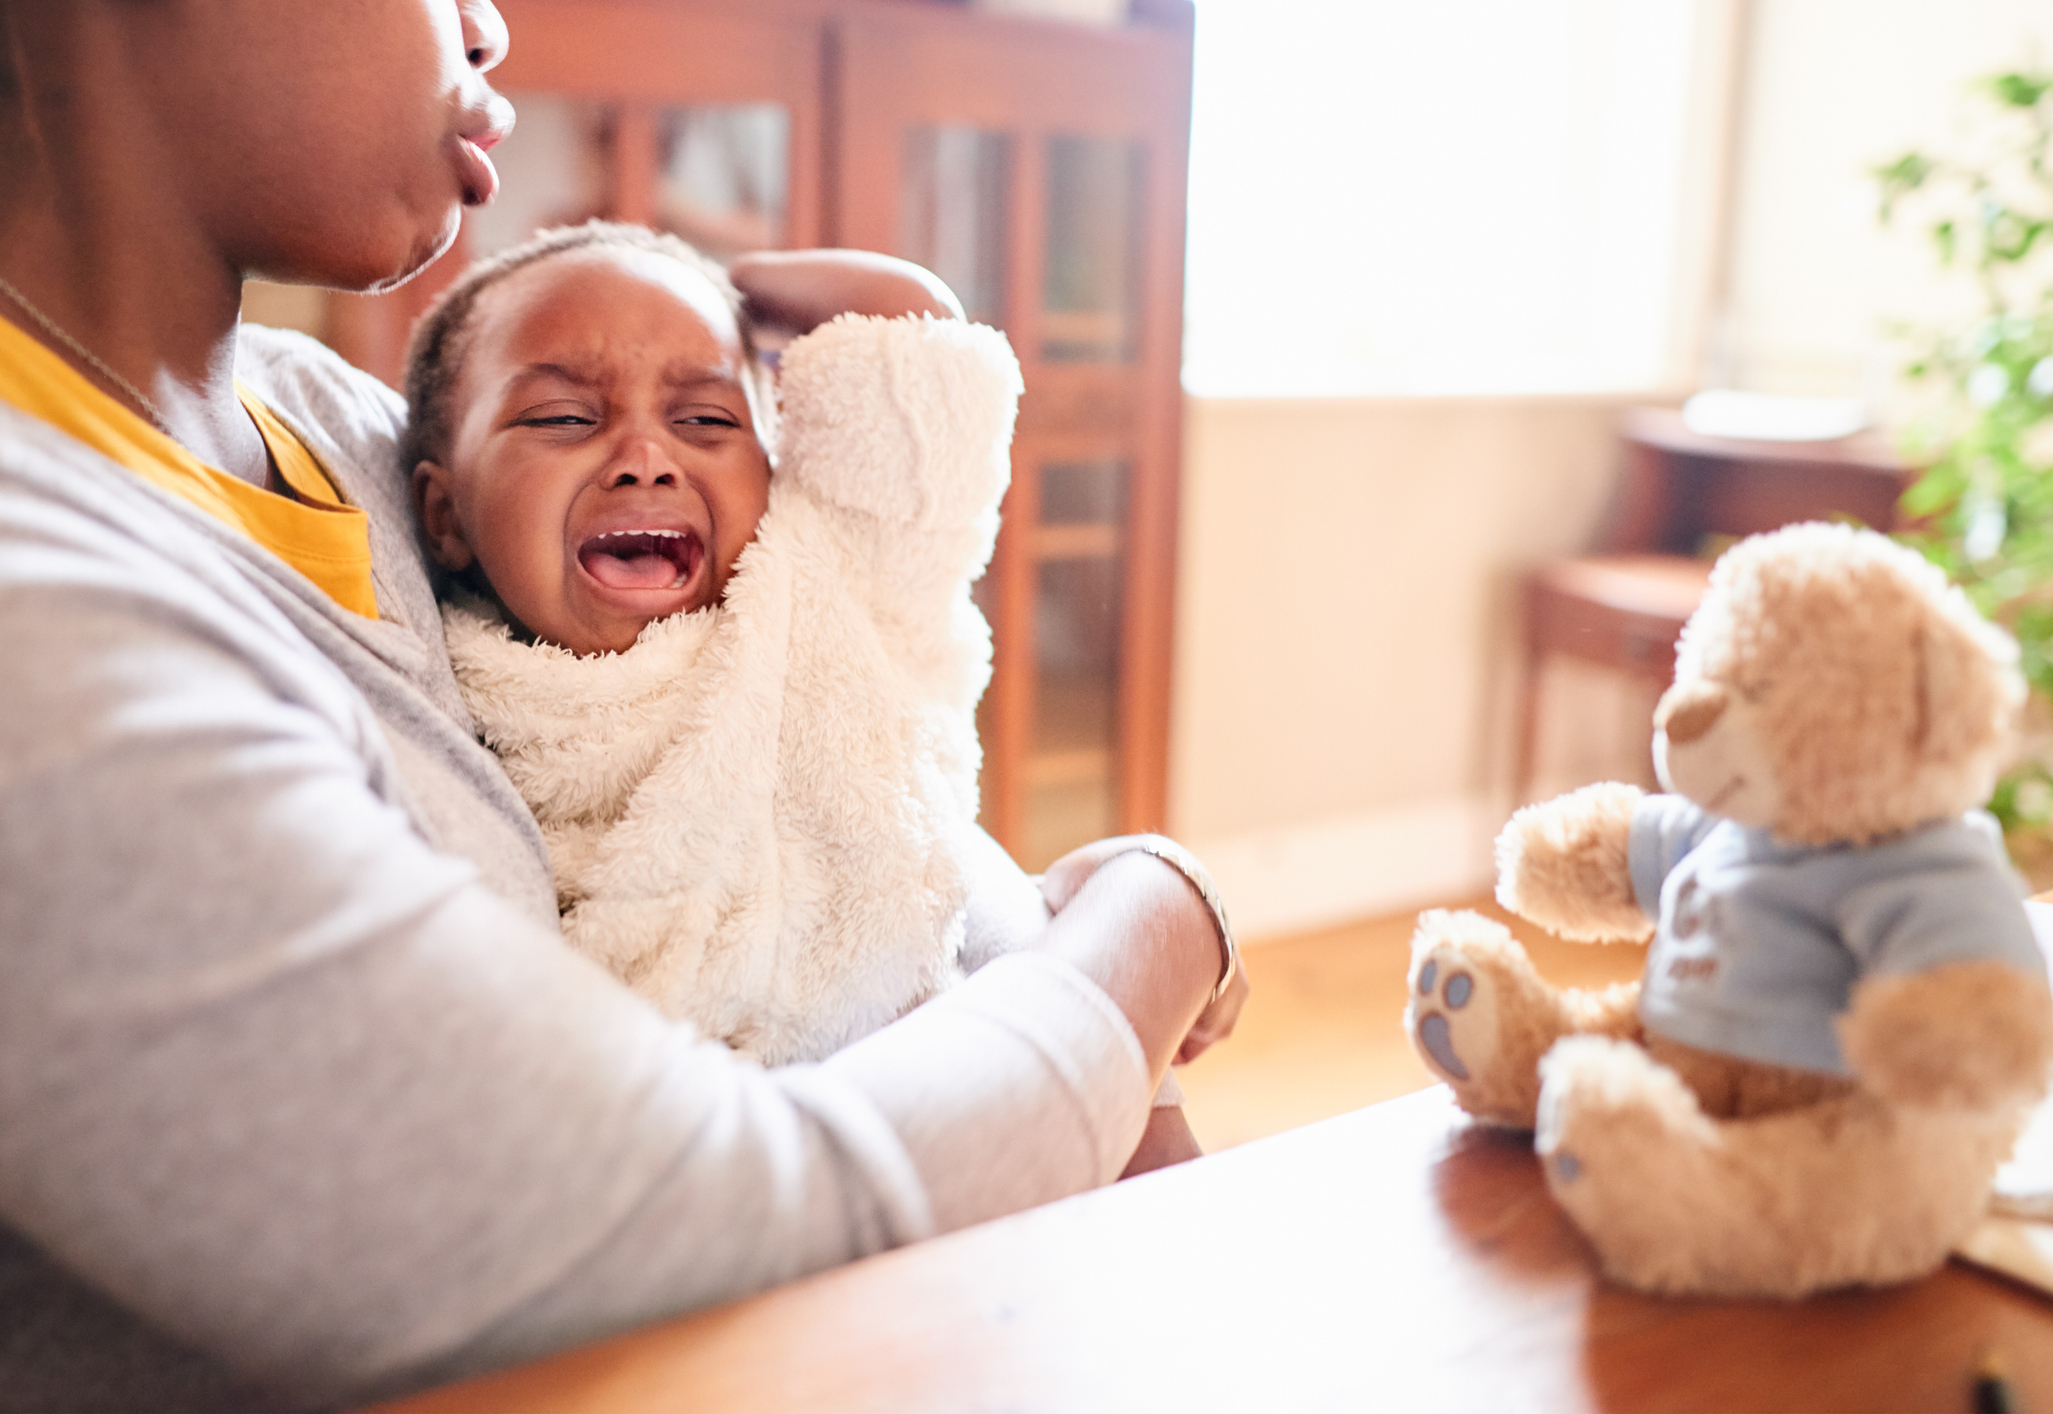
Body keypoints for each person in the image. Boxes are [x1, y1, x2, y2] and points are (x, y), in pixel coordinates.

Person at [0, 3, 1244, 1410]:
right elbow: (711, 1236)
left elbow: (786, 724)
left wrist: (1012, 918)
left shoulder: (326, 421)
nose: (485, 21)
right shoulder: (40, 617)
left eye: (701, 416)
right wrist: (1150, 928)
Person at [406, 221, 1191, 1124]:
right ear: (443, 514)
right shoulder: (439, 695)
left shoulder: (819, 579)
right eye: (564, 419)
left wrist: (706, 275)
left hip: (966, 1062)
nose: (644, 459)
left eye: (705, 419)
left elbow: (920, 345)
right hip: (700, 1156)